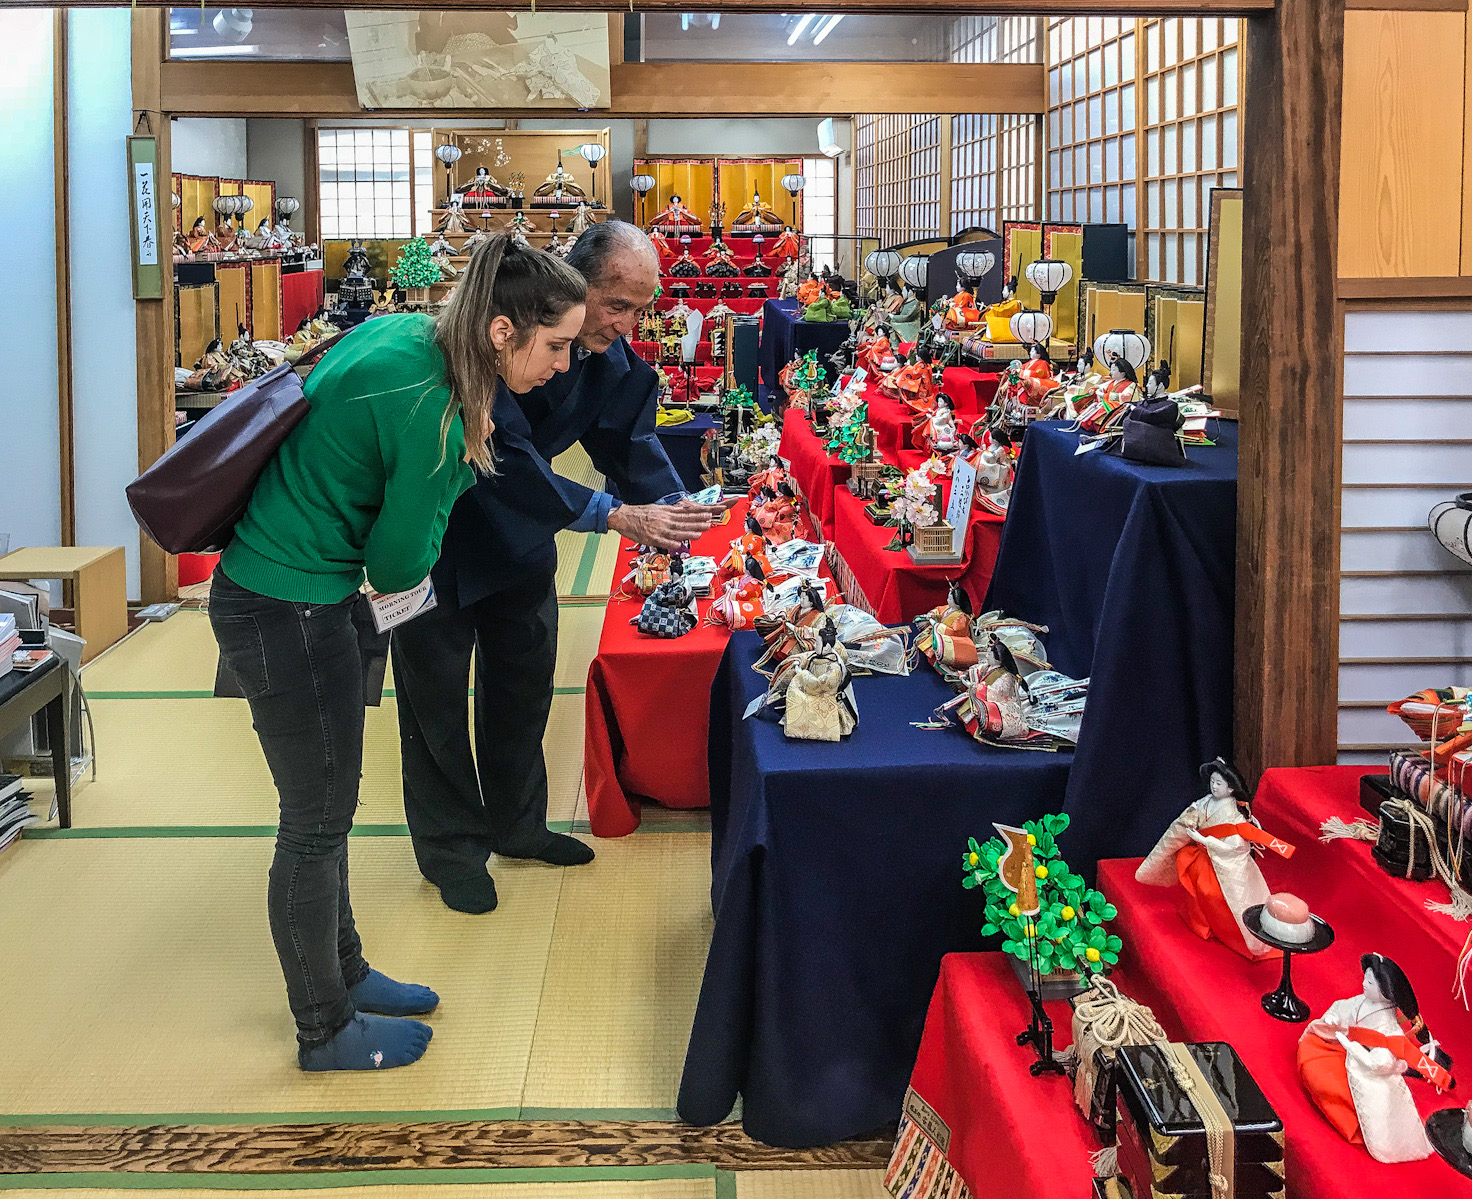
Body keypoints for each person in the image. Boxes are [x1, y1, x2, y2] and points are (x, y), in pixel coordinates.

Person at [210, 235, 587, 1072]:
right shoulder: (441, 409)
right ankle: (323, 1027)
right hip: (289, 605)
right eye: (555, 345)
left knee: (329, 810)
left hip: (287, 588)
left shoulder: (406, 333)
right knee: (313, 824)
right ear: (501, 331)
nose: (563, 365)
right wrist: (465, 460)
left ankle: (345, 974)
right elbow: (400, 565)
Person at [393, 221, 729, 915]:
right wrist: (613, 515)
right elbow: (505, 457)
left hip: (521, 540)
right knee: (435, 702)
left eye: (642, 307)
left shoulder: (615, 364)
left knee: (523, 684)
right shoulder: (496, 341)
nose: (630, 323)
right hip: (439, 536)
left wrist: (679, 516)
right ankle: (452, 847)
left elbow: (630, 446)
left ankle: (518, 824)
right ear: (574, 282)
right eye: (617, 304)